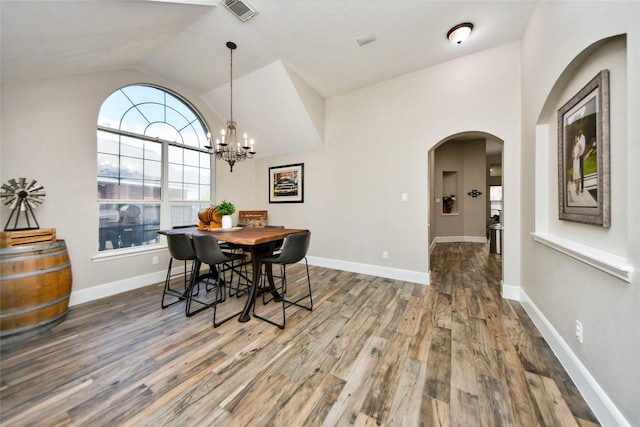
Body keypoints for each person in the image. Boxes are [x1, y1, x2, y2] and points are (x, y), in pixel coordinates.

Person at [577, 128, 586, 193]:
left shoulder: (583, 137)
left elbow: (583, 147)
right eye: (579, 130)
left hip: (581, 155)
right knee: (577, 172)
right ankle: (578, 187)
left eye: (580, 130)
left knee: (581, 170)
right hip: (577, 156)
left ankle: (582, 187)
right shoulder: (578, 138)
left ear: (582, 131)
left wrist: (580, 154)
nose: (579, 131)